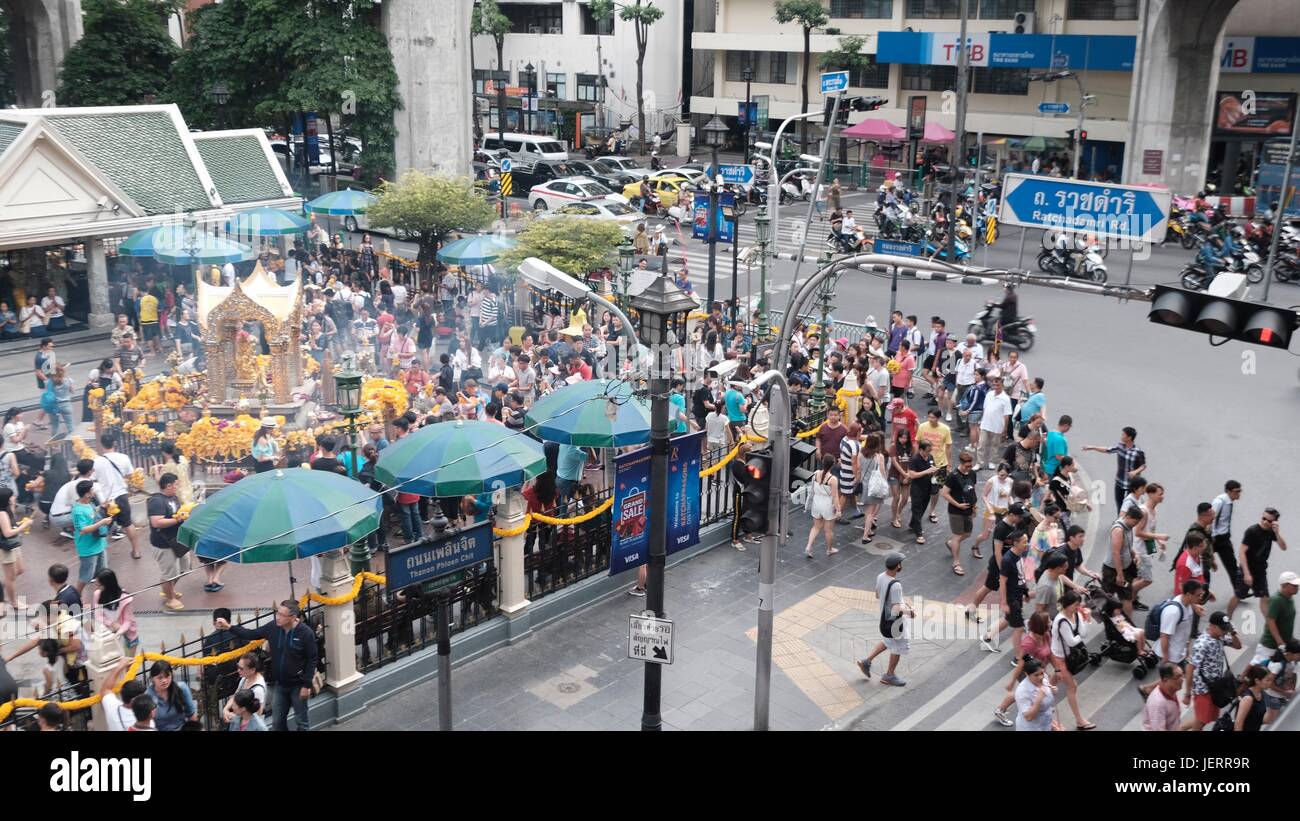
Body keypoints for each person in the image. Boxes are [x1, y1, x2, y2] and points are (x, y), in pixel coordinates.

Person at [216, 600, 319, 731]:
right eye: (278, 613)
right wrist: (230, 627)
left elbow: (312, 659)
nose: (278, 617)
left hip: (298, 686)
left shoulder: (305, 633)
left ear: (293, 617)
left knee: (302, 722)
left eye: (282, 615)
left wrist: (306, 685)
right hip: (280, 685)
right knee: (277, 723)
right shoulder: (273, 627)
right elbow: (252, 634)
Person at [856, 552, 913, 686]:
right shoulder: (896, 585)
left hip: (884, 618)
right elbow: (896, 609)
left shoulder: (881, 576)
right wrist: (910, 612)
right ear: (898, 566)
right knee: (898, 647)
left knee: (888, 642)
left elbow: (877, 594)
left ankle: (866, 661)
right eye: (901, 564)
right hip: (895, 622)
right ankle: (889, 676)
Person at [1183, 610, 1242, 731]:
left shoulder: (1221, 637)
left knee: (1205, 718)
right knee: (1201, 721)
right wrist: (1187, 694)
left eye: (1226, 628)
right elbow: (1190, 668)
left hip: (1216, 687)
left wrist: (1233, 632)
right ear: (1213, 626)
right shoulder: (1202, 644)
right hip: (1203, 689)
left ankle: (1179, 728)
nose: (1225, 631)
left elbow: (1238, 646)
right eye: (1223, 628)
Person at [1228, 507, 1287, 621]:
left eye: (1269, 521)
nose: (1265, 522)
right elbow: (1242, 552)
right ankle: (1226, 621)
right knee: (1238, 595)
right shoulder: (1252, 531)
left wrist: (1277, 533)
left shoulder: (1271, 532)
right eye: (1263, 518)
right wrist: (1246, 574)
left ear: (1274, 522)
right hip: (1247, 569)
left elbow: (1283, 547)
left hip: (1260, 571)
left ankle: (1270, 627)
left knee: (1264, 598)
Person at [1049, 590, 1096, 730]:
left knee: (1052, 682)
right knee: (1072, 686)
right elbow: (1072, 641)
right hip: (1059, 658)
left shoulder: (1075, 614)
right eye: (1075, 605)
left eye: (1078, 605)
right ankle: (1080, 720)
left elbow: (1083, 633)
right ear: (1067, 605)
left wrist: (1085, 620)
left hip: (1067, 656)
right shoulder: (1061, 620)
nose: (1078, 607)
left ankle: (1039, 701)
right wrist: (1085, 624)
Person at [92, 433, 141, 559]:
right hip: (122, 496)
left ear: (102, 444)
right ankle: (136, 551)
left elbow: (92, 479)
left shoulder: (96, 462)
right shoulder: (124, 457)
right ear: (114, 443)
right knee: (128, 524)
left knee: (103, 527)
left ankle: (100, 555)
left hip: (107, 499)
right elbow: (130, 475)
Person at [148, 472, 190, 609]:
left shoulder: (174, 497)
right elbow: (156, 522)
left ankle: (168, 589)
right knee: (169, 573)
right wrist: (178, 519)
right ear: (168, 485)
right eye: (176, 484)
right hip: (163, 544)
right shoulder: (157, 501)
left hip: (177, 540)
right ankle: (170, 598)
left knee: (184, 567)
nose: (178, 487)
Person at [1083, 427, 1146, 513]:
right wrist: (1093, 447)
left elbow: (1143, 466)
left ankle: (1127, 523)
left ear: (1129, 438)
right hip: (1119, 481)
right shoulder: (1120, 446)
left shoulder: (1138, 452)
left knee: (1129, 505)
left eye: (1123, 435)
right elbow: (1107, 450)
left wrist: (1135, 472)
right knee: (1119, 503)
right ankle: (1119, 521)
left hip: (1131, 484)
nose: (1121, 436)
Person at [940, 451, 978, 576]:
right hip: (956, 511)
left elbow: (973, 489)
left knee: (967, 533)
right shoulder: (953, 476)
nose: (969, 469)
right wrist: (957, 504)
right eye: (967, 466)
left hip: (968, 509)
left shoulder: (972, 473)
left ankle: (951, 544)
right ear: (961, 464)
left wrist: (974, 506)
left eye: (970, 466)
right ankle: (956, 562)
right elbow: (944, 493)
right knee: (957, 536)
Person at [1103, 506, 1145, 619]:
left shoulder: (1129, 527)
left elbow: (1128, 547)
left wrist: (1135, 554)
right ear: (1128, 517)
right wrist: (1120, 575)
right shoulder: (1118, 530)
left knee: (1127, 597)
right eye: (1135, 522)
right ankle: (1107, 620)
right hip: (1112, 571)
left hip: (1125, 569)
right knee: (1107, 597)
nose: (1135, 525)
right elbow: (1115, 553)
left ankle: (1128, 626)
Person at [1254, 569, 1298, 666]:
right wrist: (1279, 641)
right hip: (1270, 645)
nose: (1297, 587)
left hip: (1285, 641)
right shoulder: (1276, 600)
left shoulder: (1289, 597)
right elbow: (1270, 621)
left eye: (1297, 585)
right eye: (1294, 585)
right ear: (1284, 586)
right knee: (1260, 670)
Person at [92, 568, 138, 657]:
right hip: (107, 635)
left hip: (126, 635)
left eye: (99, 584)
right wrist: (111, 623)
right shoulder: (97, 594)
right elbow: (97, 615)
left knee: (128, 663)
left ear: (107, 584)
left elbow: (128, 621)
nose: (97, 586)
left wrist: (119, 632)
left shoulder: (125, 598)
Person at [804, 455, 840, 559]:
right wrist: (838, 510)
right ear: (832, 466)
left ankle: (809, 546)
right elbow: (835, 497)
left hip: (816, 503)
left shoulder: (815, 474)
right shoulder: (833, 479)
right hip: (827, 505)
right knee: (828, 530)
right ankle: (829, 549)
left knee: (815, 527)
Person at [904, 440, 939, 544]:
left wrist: (935, 471)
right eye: (927, 451)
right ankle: (919, 533)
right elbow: (912, 475)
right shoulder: (914, 460)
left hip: (927, 487)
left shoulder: (930, 457)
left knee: (923, 507)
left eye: (930, 451)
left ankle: (913, 524)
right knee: (917, 509)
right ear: (921, 449)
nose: (928, 453)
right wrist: (926, 472)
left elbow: (933, 468)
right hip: (917, 488)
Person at [99, 657, 148, 731]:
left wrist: (120, 667)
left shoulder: (112, 707)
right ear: (133, 700)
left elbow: (106, 689)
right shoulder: (145, 722)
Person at [147, 659, 196, 731]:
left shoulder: (181, 688)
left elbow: (191, 715)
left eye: (167, 676)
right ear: (152, 679)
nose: (164, 680)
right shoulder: (148, 696)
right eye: (160, 677)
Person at [1012, 658, 1057, 731]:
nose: (1041, 677)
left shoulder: (1044, 678)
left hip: (1045, 723)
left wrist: (1053, 691)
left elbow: (1048, 699)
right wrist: (1038, 700)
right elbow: (1028, 717)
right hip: (1030, 727)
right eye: (1036, 675)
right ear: (1027, 674)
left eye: (1042, 673)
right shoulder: (1022, 691)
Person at [1263, 639, 1300, 725]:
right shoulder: (1277, 665)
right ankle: (1251, 722)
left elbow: (1294, 674)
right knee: (1270, 720)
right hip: (1272, 695)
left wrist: (1292, 689)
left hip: (1281, 694)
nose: (1299, 657)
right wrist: (1284, 693)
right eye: (1298, 655)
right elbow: (1269, 684)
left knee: (1276, 715)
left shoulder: (1293, 662)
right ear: (1290, 653)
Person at [1141, 663, 1186, 731]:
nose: (1182, 679)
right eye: (1178, 677)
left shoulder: (1171, 690)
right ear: (1165, 679)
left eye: (1182, 675)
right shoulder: (1157, 703)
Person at [1234, 665, 1272, 732]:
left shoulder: (1261, 694)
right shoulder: (1248, 698)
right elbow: (1238, 723)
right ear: (1257, 681)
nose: (1270, 683)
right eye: (1267, 680)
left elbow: (1258, 719)